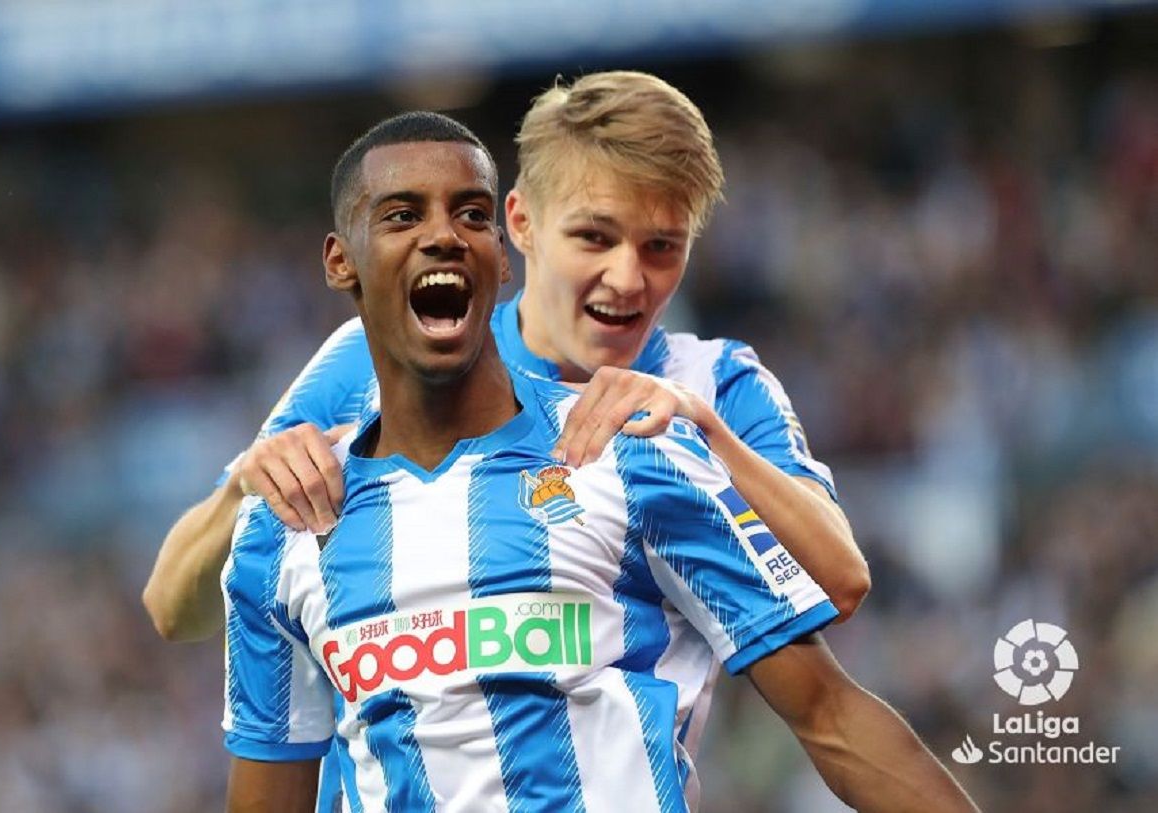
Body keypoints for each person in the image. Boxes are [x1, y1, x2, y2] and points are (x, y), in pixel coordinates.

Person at [222, 112, 978, 812]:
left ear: (505, 252)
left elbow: (830, 714)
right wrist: (239, 483)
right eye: (401, 215)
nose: (444, 236)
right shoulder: (284, 522)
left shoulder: (628, 450)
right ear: (339, 261)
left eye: (471, 215)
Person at [144, 71, 868, 647]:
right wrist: (245, 486)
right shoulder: (380, 357)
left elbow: (841, 585)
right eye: (594, 238)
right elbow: (174, 607)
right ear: (519, 222)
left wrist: (704, 432)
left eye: (661, 246)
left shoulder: (714, 385)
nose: (628, 277)